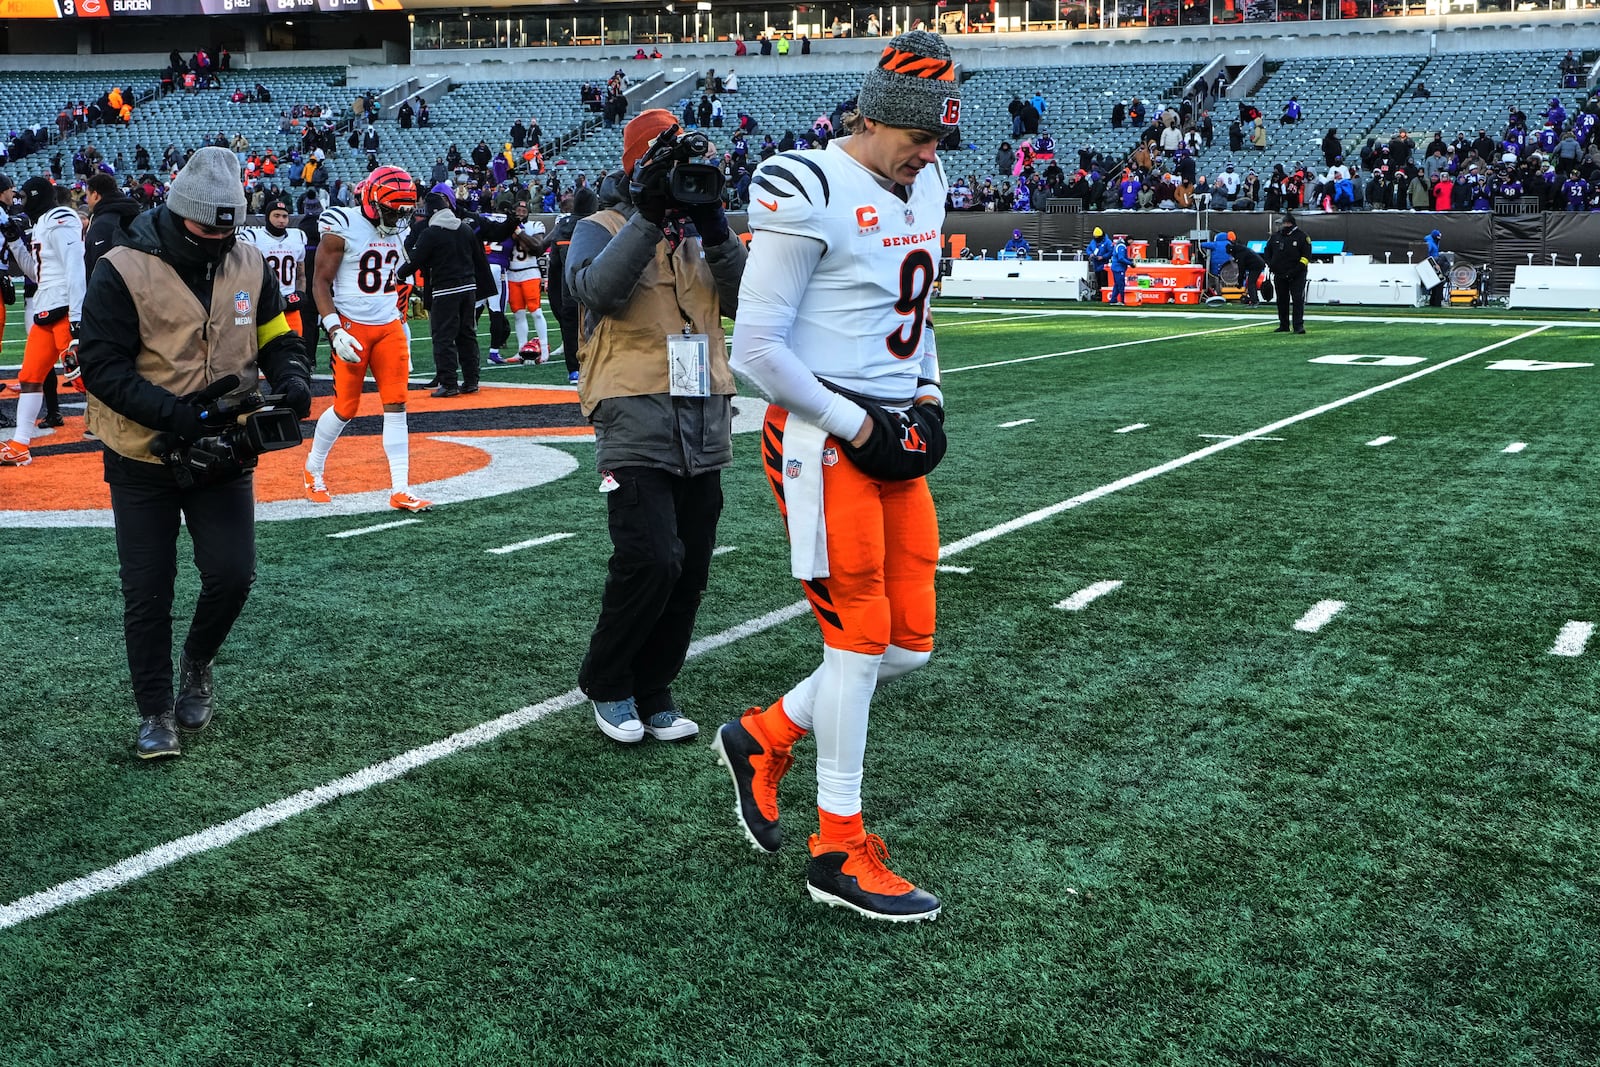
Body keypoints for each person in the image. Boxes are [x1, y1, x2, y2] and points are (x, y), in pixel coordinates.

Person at [717, 29, 957, 923]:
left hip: (893, 425)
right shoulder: (806, 184)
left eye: (938, 141)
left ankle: (765, 734)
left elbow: (918, 310)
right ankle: (837, 846)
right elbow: (756, 350)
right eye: (918, 137)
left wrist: (926, 397)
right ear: (876, 115)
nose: (929, 156)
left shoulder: (923, 181)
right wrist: (860, 425)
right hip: (825, 438)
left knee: (909, 644)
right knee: (857, 640)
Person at [76, 147, 312, 758]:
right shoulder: (120, 267)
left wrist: (290, 375)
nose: (220, 240)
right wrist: (184, 416)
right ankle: (154, 712)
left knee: (233, 575)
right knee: (147, 589)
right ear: (179, 215)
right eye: (209, 229)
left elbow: (274, 333)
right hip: (142, 452)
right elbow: (101, 369)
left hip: (224, 450)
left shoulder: (250, 260)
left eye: (229, 228)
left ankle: (198, 661)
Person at [565, 109, 747, 745]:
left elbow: (747, 296)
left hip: (704, 409)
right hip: (631, 406)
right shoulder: (600, 225)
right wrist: (647, 214)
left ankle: (656, 686)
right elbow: (596, 292)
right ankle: (609, 681)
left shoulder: (699, 232)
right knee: (651, 557)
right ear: (640, 165)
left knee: (691, 565)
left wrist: (715, 224)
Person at [304, 166, 434, 511]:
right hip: (352, 327)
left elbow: (392, 276)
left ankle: (401, 488)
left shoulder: (393, 228)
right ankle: (313, 468)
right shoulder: (342, 225)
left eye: (403, 211)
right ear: (372, 200)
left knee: (396, 405)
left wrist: (402, 315)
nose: (397, 218)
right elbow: (319, 282)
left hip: (388, 325)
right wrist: (333, 329)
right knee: (346, 407)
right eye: (393, 210)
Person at [1, 178, 84, 465]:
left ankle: (134, 429)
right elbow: (37, 274)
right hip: (45, 310)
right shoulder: (42, 224)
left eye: (24, 196)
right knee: (29, 378)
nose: (20, 201)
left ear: (36, 196)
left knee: (85, 380)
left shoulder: (61, 217)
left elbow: (76, 266)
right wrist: (13, 242)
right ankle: (20, 444)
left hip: (64, 309)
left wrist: (77, 317)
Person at [397, 185, 494, 396]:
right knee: (467, 335)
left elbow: (415, 260)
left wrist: (399, 274)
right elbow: (478, 258)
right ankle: (471, 380)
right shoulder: (465, 229)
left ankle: (449, 383)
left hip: (445, 290)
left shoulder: (431, 233)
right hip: (468, 288)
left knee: (443, 337)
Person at [545, 186, 597, 383]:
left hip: (568, 291)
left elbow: (555, 264)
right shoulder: (596, 223)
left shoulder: (563, 226)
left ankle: (574, 370)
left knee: (570, 331)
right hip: (592, 289)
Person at [240, 196, 308, 336]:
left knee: (296, 348)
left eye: (284, 216)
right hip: (265, 303)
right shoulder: (253, 237)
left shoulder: (298, 237)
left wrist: (300, 293)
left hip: (290, 304)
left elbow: (301, 275)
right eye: (276, 215)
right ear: (267, 217)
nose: (281, 220)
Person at [505, 198, 550, 361]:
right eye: (518, 211)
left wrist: (519, 233)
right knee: (518, 314)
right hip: (512, 273)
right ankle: (521, 350)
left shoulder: (535, 225)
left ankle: (544, 350)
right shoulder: (506, 225)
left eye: (524, 211)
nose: (521, 213)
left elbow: (538, 248)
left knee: (536, 312)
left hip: (530, 271)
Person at [1265, 211, 1310, 333]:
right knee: (1281, 300)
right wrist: (1271, 265)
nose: (1282, 226)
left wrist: (1294, 271)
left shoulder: (1302, 237)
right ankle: (1284, 325)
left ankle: (1298, 326)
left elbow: (1306, 257)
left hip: (1296, 275)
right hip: (1279, 274)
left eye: (1284, 223)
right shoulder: (1276, 237)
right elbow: (1267, 251)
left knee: (1297, 300)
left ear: (1290, 223)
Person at [1227, 232, 1266, 306]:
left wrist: (1240, 282)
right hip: (1257, 264)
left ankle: (1254, 301)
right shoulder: (1241, 250)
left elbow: (1241, 269)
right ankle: (1255, 299)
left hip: (1256, 265)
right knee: (1252, 282)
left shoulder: (1239, 254)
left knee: (1251, 283)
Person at [1085, 225, 1113, 300]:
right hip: (1096, 264)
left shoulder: (1108, 242)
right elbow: (1088, 249)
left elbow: (1111, 252)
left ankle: (1103, 294)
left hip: (1104, 264)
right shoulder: (1093, 241)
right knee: (1098, 279)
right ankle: (1099, 293)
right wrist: (1090, 254)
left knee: (1104, 279)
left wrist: (1103, 257)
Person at [1108, 236, 1132, 304]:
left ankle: (1113, 300)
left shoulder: (1120, 245)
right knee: (1121, 284)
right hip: (1119, 268)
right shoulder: (1121, 246)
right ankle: (1122, 300)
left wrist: (1129, 261)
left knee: (1117, 284)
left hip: (1117, 267)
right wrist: (1130, 263)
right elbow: (1121, 258)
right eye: (1131, 241)